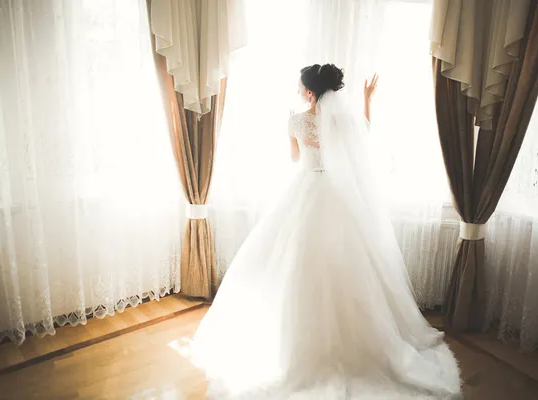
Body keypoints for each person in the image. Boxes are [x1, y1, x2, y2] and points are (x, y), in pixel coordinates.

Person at [191, 64, 462, 399]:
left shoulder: (295, 120)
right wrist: (367, 101)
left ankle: (293, 344)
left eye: (300, 85)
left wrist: (305, 141)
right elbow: (361, 137)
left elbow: (295, 159)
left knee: (293, 262)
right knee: (348, 265)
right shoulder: (342, 120)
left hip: (305, 191)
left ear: (309, 91)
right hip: (338, 197)